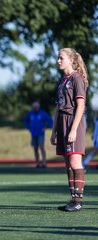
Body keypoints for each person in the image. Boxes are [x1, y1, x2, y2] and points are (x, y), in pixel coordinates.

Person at [50, 48, 88, 212]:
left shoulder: (77, 78)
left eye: (61, 58)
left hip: (73, 121)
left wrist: (73, 129)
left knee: (74, 161)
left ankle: (78, 200)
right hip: (62, 122)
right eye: (58, 58)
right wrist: (54, 131)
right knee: (67, 164)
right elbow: (58, 107)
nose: (58, 60)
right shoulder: (62, 80)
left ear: (71, 60)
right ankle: (73, 199)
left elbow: (80, 105)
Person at [24, 101, 53, 168]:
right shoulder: (30, 114)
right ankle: (37, 163)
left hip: (41, 133)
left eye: (36, 107)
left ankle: (44, 162)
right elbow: (26, 121)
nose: (35, 108)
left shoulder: (42, 113)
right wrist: (29, 128)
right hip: (33, 134)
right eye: (34, 107)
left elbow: (50, 121)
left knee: (41, 147)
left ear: (38, 107)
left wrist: (46, 127)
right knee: (35, 148)